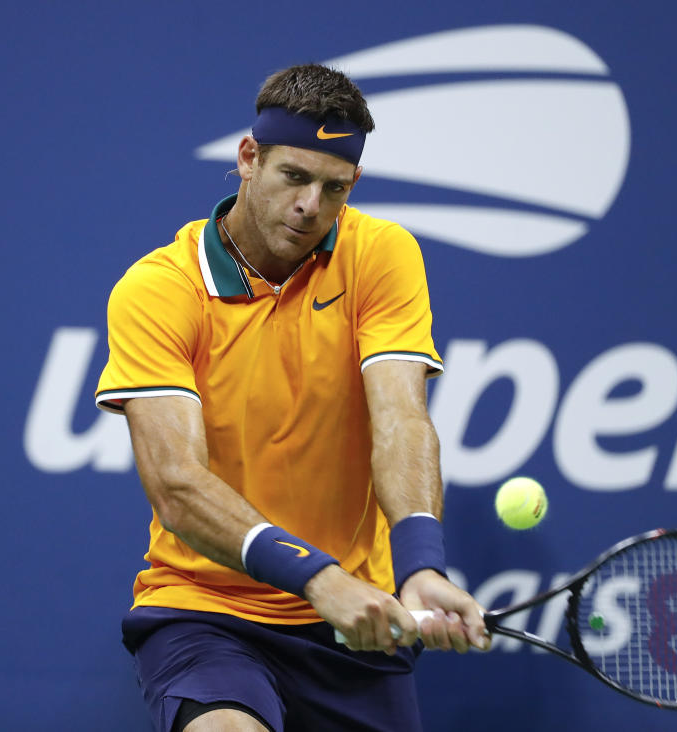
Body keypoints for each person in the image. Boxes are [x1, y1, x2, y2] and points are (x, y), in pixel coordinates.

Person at [95, 63, 489, 732]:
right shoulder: (159, 289)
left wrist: (420, 565)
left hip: (350, 625)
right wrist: (319, 577)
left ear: (353, 184)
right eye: (295, 178)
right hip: (206, 608)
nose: (312, 205)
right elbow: (177, 484)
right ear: (249, 159)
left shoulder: (382, 255)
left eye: (334, 188)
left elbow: (399, 417)